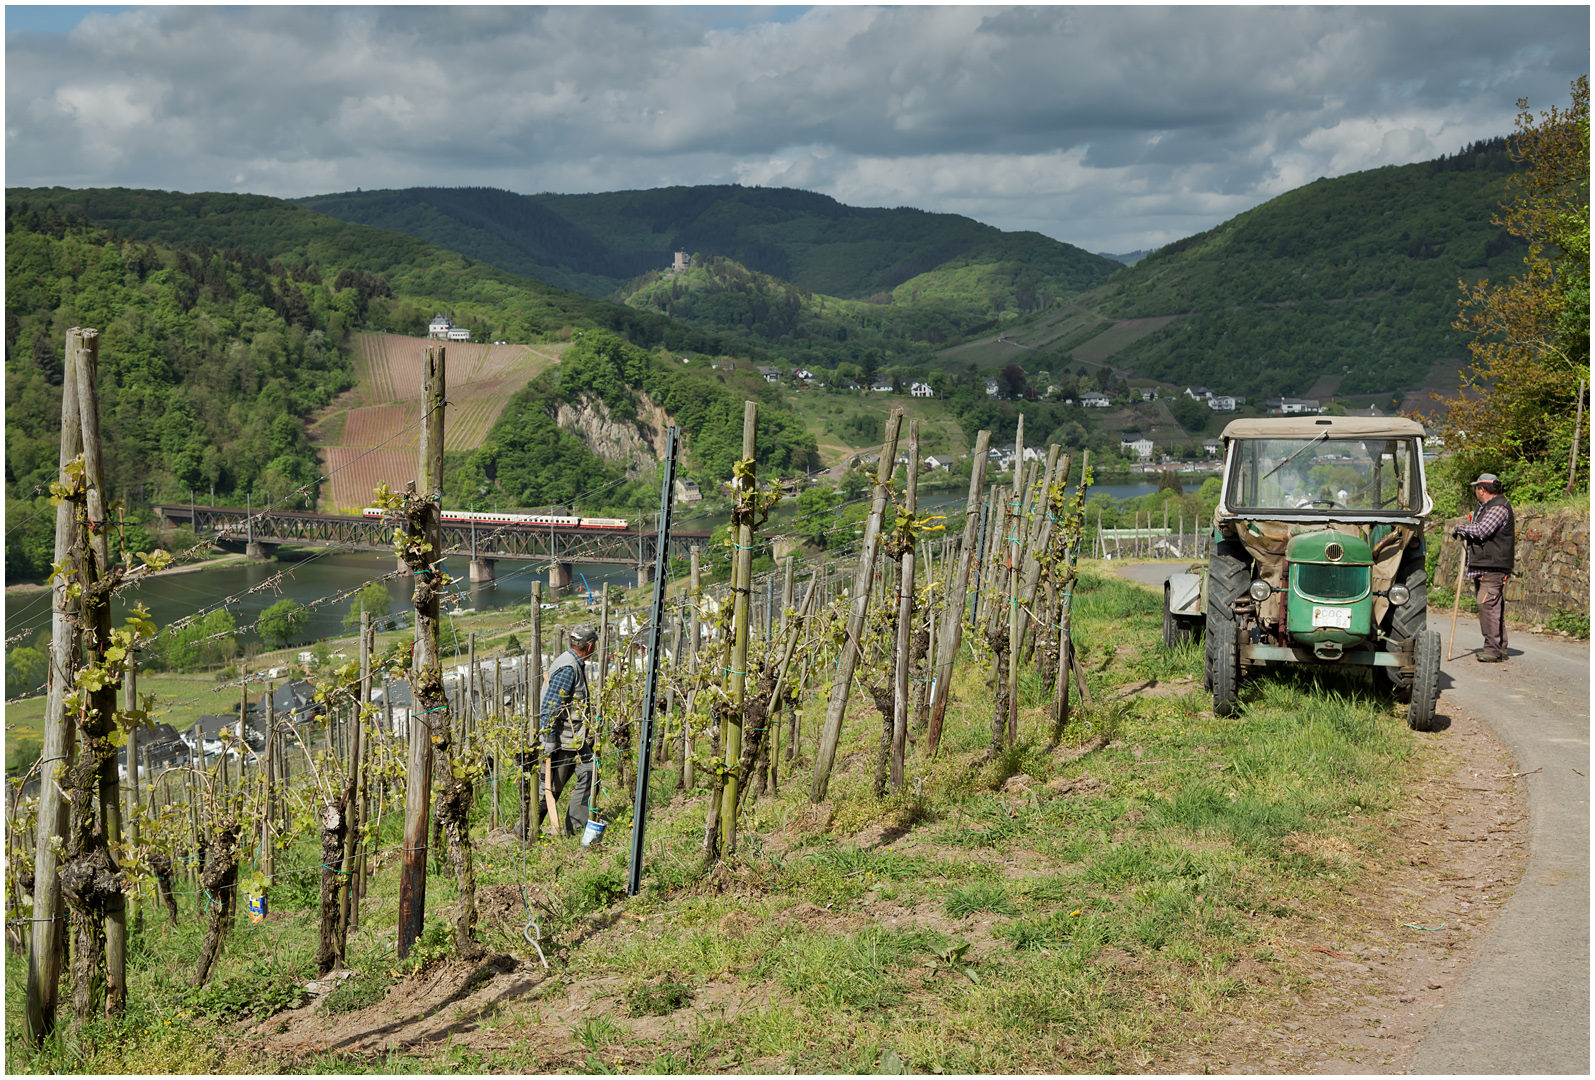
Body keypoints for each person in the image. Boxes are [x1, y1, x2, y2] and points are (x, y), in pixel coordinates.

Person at [536, 625, 599, 836]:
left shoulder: (570, 661)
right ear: (590, 646)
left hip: (574, 739)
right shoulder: (569, 667)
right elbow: (550, 706)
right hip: (562, 739)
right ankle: (525, 831)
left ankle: (574, 828)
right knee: (551, 790)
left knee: (590, 771)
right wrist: (549, 739)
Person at [1452, 473, 1515, 662]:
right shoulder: (1486, 508)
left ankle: (1492, 650)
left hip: (1493, 566)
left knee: (1486, 604)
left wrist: (1460, 527)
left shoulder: (1498, 507)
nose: (1476, 492)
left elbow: (1482, 530)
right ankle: (1499, 647)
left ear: (1482, 489)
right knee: (1493, 606)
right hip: (1485, 564)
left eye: (1476, 488)